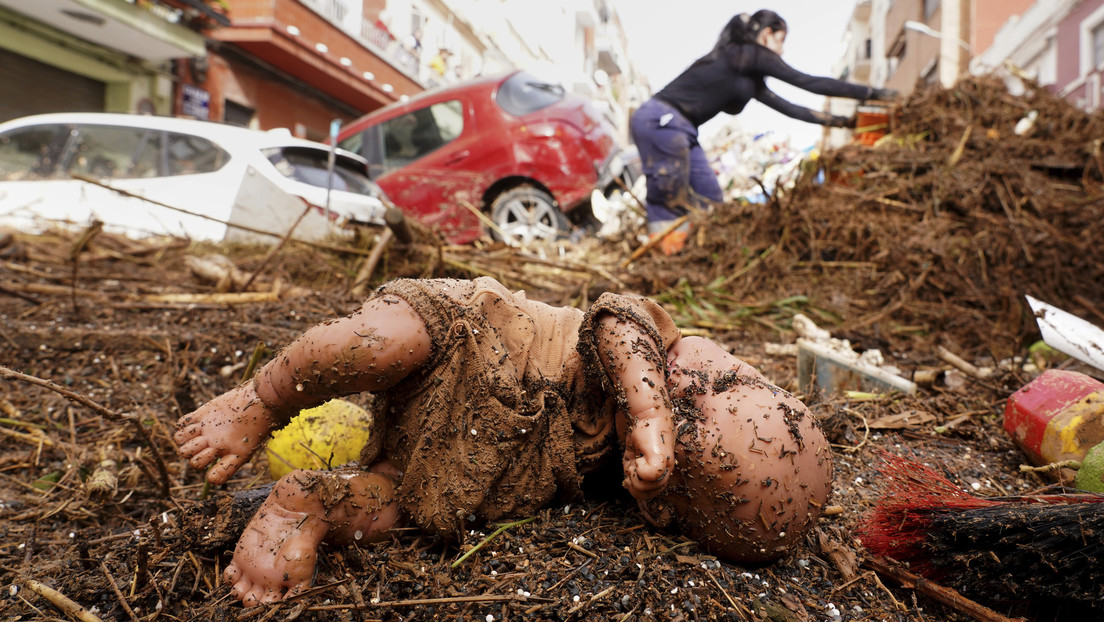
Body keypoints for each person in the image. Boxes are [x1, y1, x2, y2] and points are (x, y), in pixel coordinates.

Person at [174, 277, 832, 607]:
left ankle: (307, 503)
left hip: (464, 459)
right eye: (733, 377)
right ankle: (261, 398)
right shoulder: (645, 349)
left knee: (402, 508)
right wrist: (650, 405)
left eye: (696, 404)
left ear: (659, 504)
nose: (700, 374)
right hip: (462, 335)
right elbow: (616, 315)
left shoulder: (622, 478)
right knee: (380, 339)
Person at [630, 10, 897, 255]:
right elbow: (807, 82)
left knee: (710, 198)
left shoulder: (749, 75)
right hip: (660, 118)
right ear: (767, 35)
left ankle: (695, 255)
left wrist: (843, 122)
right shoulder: (747, 53)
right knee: (668, 192)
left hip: (684, 127)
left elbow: (791, 108)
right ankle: (663, 259)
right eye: (781, 40)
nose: (782, 50)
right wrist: (871, 93)